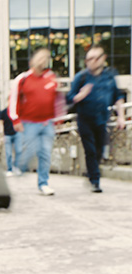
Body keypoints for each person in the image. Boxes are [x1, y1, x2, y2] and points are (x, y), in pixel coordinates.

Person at [66, 45, 126, 193]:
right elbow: (69, 98)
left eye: (94, 58)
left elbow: (118, 96)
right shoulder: (82, 77)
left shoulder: (110, 75)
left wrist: (121, 117)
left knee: (99, 150)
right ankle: (95, 181)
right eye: (88, 59)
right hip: (85, 119)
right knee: (91, 150)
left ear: (103, 58)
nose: (91, 62)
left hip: (103, 119)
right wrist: (79, 95)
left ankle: (92, 174)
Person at [8, 48, 62, 196]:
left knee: (45, 152)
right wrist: (15, 119)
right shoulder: (23, 78)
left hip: (47, 122)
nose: (42, 61)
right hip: (29, 122)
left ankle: (43, 183)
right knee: (30, 150)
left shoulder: (51, 78)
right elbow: (13, 99)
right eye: (40, 58)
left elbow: (58, 99)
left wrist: (59, 118)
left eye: (45, 58)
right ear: (32, 61)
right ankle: (19, 166)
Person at [0, 105, 21, 176]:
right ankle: (9, 169)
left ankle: (16, 167)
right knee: (8, 153)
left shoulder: (18, 111)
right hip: (7, 135)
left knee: (19, 151)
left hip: (17, 133)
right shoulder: (4, 112)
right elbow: (0, 123)